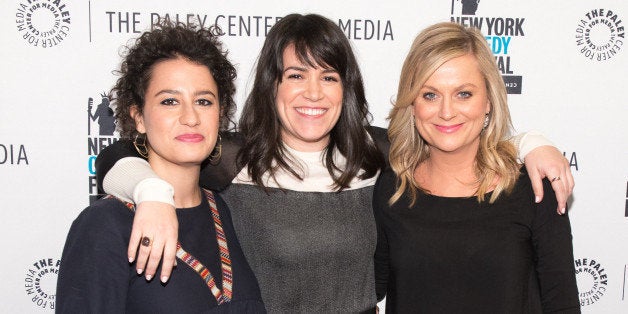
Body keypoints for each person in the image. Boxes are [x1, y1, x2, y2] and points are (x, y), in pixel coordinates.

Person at [95, 14, 574, 313]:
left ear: (345, 89)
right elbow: (123, 153)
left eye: (328, 76)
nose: (312, 93)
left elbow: (449, 130)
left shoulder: (374, 154)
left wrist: (531, 142)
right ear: (272, 86)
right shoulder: (235, 159)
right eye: (295, 75)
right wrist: (152, 193)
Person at [56, 23, 265, 313]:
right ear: (138, 116)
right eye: (169, 101)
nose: (190, 117)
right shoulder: (106, 225)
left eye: (203, 101)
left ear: (220, 114)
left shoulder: (224, 209)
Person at [373, 22, 580, 313]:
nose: (446, 112)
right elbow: (363, 290)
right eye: (430, 95)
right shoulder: (391, 188)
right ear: (412, 104)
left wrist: (531, 142)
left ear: (488, 101)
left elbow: (563, 306)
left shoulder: (533, 188)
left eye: (464, 94)